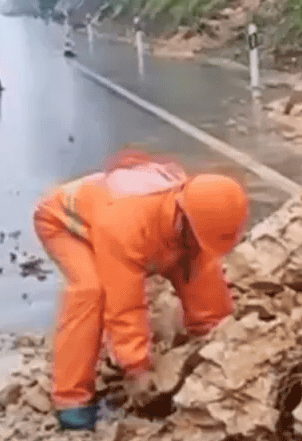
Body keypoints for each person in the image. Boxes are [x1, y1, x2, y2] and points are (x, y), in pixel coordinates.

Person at [33, 150, 249, 431]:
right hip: (66, 223)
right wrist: (137, 368)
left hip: (141, 223)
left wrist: (217, 339)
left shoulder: (197, 212)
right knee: (92, 291)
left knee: (193, 260)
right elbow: (125, 303)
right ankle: (71, 397)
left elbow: (205, 280)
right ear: (184, 217)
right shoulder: (126, 225)